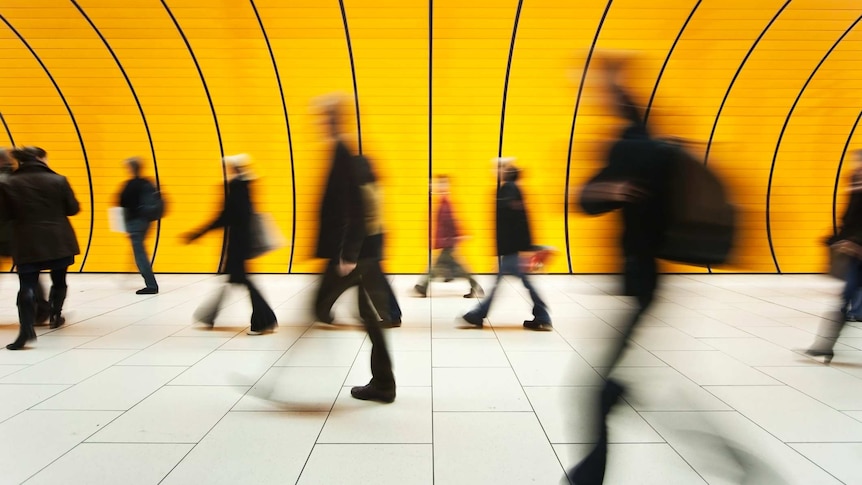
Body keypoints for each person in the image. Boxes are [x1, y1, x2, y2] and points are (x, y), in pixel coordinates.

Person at [568, 59, 672, 485]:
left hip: (640, 277)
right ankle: (616, 397)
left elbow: (584, 200)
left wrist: (607, 189)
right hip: (646, 279)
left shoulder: (630, 149)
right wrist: (614, 85)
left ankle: (589, 477)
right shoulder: (652, 144)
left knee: (592, 389)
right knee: (601, 384)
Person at [312, 94, 396, 402]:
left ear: (333, 119)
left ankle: (384, 384)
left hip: (354, 254)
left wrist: (347, 254)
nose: (318, 123)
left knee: (322, 307)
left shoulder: (345, 155)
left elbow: (360, 211)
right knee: (368, 316)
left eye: (323, 117)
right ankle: (384, 384)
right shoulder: (344, 153)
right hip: (357, 252)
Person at [184, 154, 277, 335]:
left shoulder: (235, 186)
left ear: (232, 168)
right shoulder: (246, 184)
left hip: (237, 244)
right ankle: (207, 316)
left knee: (242, 280)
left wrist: (198, 233)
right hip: (241, 242)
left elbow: (226, 216)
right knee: (234, 279)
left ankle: (264, 320)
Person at [0, 146, 80, 349]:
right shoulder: (58, 180)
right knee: (59, 279)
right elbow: (73, 209)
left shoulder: (10, 183)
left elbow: (5, 215)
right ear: (39, 159)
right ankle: (55, 314)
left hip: (26, 241)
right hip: (58, 240)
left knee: (26, 285)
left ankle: (26, 330)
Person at [460, 160, 551, 331]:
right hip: (513, 248)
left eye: (498, 167)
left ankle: (479, 315)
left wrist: (515, 250)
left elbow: (513, 222)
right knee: (517, 282)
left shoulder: (508, 190)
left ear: (505, 170)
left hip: (512, 249)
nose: (494, 171)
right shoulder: (510, 189)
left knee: (503, 283)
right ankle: (542, 316)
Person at [803, 148, 862, 363]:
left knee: (848, 295)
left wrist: (854, 241)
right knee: (845, 296)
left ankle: (825, 345)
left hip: (857, 248)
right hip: (856, 252)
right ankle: (825, 345)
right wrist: (837, 238)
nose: (859, 168)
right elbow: (849, 217)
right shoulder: (855, 183)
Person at [414, 174, 483, 298]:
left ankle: (423, 286)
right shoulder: (443, 202)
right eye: (438, 184)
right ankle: (423, 286)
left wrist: (458, 236)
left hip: (448, 242)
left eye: (442, 184)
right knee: (450, 266)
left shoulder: (446, 203)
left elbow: (452, 222)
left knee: (443, 267)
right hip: (447, 241)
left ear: (447, 186)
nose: (438, 186)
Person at [118, 156, 159, 294]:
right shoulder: (148, 182)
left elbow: (122, 204)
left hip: (135, 223)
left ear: (130, 168)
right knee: (138, 251)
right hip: (146, 222)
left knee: (140, 254)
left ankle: (151, 285)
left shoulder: (129, 185)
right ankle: (134, 274)